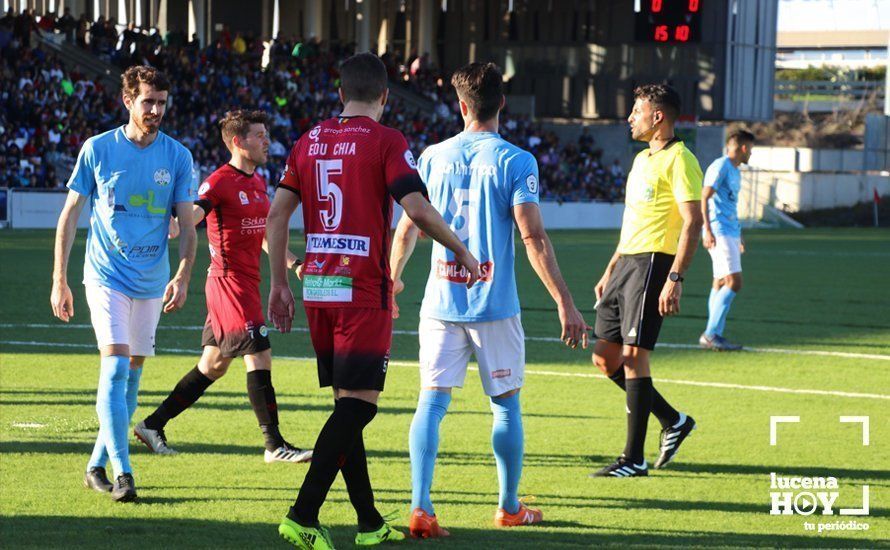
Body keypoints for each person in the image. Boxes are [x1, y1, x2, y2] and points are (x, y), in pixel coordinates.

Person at [266, 52, 480, 550]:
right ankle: (302, 514)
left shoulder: (308, 140)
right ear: (385, 96)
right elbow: (416, 207)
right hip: (362, 288)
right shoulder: (387, 141)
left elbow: (276, 217)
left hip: (318, 286)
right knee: (358, 410)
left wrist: (278, 283)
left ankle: (369, 522)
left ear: (341, 95)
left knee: (348, 404)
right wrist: (461, 249)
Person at [389, 62, 590, 538]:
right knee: (504, 406)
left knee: (431, 403)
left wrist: (392, 280)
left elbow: (408, 225)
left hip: (440, 300)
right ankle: (508, 506)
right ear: (501, 103)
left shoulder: (432, 157)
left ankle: (421, 507)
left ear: (460, 106)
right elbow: (532, 235)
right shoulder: (517, 161)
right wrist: (565, 300)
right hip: (493, 304)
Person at [50, 66, 197, 502]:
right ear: (127, 101)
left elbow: (188, 225)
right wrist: (60, 278)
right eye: (148, 101)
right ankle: (123, 473)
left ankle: (96, 463)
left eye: (162, 102)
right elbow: (70, 215)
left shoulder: (177, 157)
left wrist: (184, 273)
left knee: (130, 384)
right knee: (114, 369)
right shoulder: (98, 149)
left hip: (151, 282)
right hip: (105, 276)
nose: (155, 110)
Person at [135, 110, 312, 464]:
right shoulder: (218, 181)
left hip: (246, 283)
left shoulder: (257, 181)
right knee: (259, 353)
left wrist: (294, 263)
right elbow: (198, 212)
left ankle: (152, 424)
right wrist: (180, 223)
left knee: (213, 365)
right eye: (259, 135)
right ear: (237, 142)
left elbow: (262, 233)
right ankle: (274, 444)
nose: (267, 141)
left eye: (266, 134)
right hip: (228, 285)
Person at [590, 84, 702, 477]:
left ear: (658, 117)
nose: (630, 117)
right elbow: (632, 221)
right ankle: (673, 420)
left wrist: (676, 277)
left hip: (655, 263)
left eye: (637, 111)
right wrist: (610, 268)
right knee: (605, 358)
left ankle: (633, 459)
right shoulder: (640, 161)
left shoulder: (681, 159)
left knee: (636, 358)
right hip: (626, 264)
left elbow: (693, 221)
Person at [699, 130, 754, 351]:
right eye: (750, 149)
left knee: (720, 281)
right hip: (719, 231)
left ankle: (714, 333)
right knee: (734, 282)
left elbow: (730, 206)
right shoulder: (720, 166)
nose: (751, 153)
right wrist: (708, 230)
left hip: (729, 231)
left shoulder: (735, 170)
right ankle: (711, 334)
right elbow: (704, 196)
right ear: (742, 148)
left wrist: (739, 235)